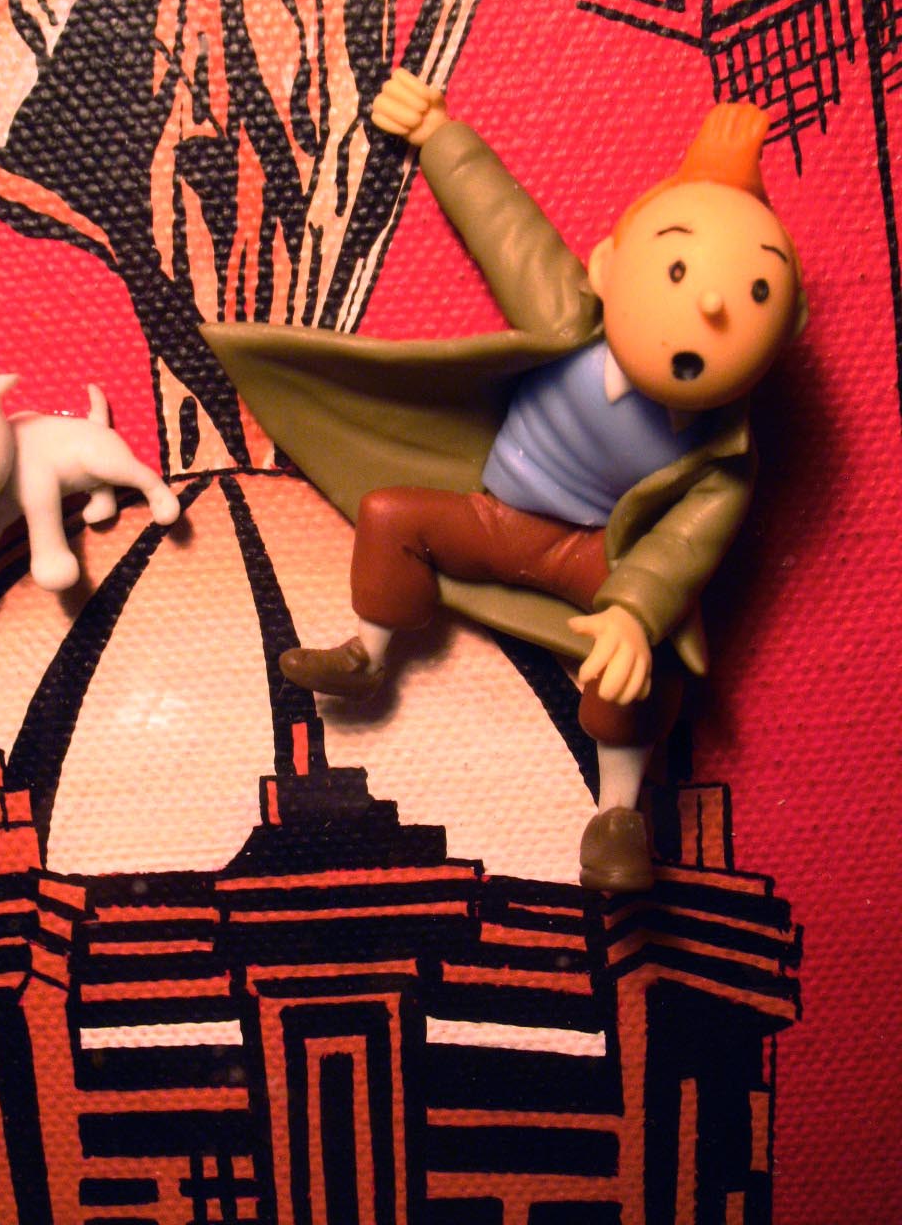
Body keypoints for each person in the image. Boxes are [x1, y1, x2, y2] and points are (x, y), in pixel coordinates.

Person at [204, 70, 805, 891]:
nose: (710, 304)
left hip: (595, 561)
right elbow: (506, 227)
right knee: (390, 515)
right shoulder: (567, 317)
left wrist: (634, 614)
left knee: (639, 668)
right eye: (675, 270)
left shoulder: (720, 461)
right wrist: (439, 134)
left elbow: (681, 552)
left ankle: (617, 814)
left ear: (783, 333)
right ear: (608, 267)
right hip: (495, 515)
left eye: (757, 290)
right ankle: (369, 652)